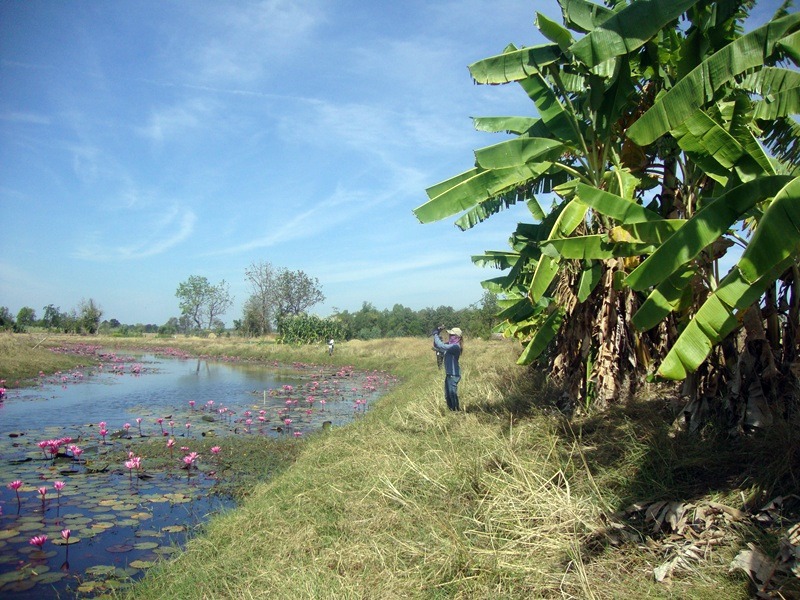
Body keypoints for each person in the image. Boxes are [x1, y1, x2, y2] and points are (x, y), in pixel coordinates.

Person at [432, 326, 463, 411]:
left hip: (454, 375)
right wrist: (437, 333)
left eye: (452, 335)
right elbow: (438, 345)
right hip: (449, 374)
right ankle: (452, 411)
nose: (450, 336)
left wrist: (435, 334)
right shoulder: (450, 345)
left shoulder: (455, 347)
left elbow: (440, 345)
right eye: (450, 335)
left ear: (457, 337)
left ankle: (456, 412)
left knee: (452, 394)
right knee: (447, 394)